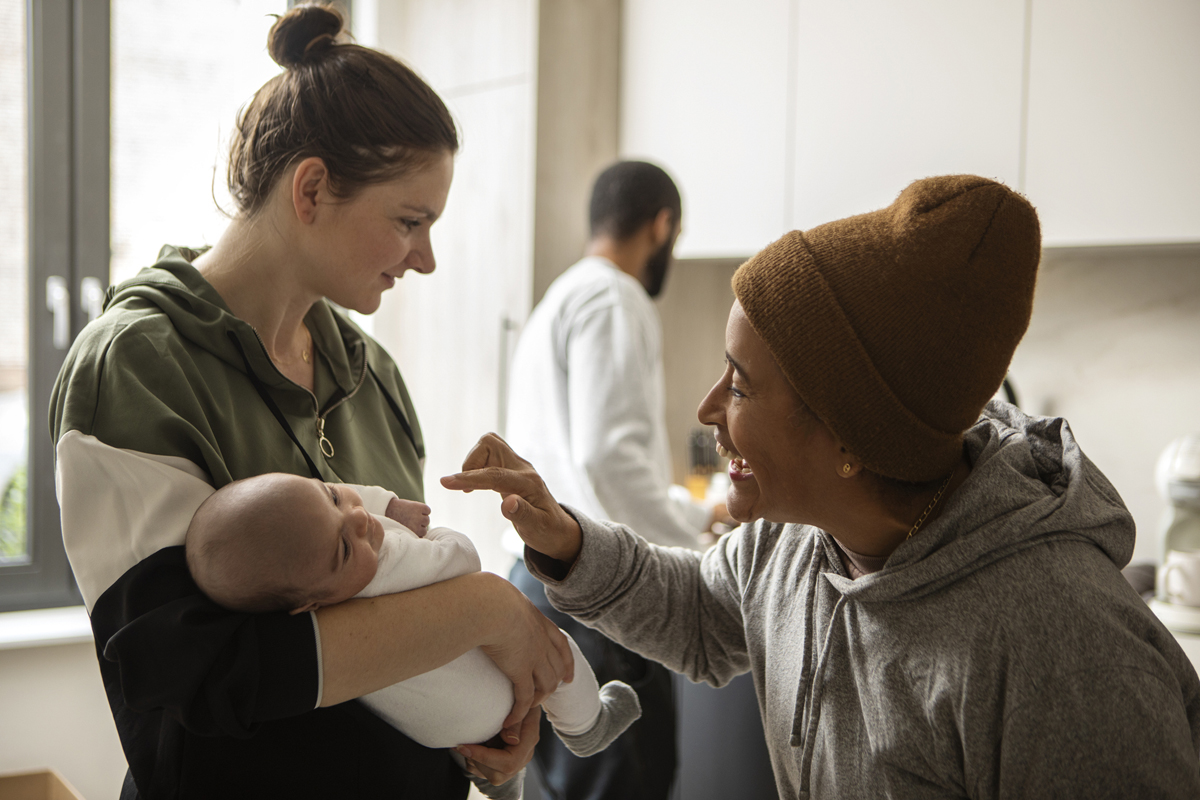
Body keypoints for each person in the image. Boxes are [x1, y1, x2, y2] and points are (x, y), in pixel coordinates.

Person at [446, 175, 1200, 798]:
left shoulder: (1063, 649)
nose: (708, 410)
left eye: (739, 385)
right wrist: (568, 541)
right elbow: (703, 611)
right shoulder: (794, 541)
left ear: (849, 438)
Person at [49, 6, 571, 798]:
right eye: (409, 222)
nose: (424, 260)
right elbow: (199, 674)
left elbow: (401, 619)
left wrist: (492, 723)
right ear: (314, 188)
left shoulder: (373, 377)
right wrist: (487, 612)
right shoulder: (137, 366)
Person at [182, 471, 641, 800]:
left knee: (477, 724)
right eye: (345, 547)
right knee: (560, 651)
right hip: (475, 701)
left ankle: (496, 776)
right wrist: (439, 534)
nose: (360, 521)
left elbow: (336, 504)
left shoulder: (311, 588)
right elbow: (462, 562)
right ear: (308, 603)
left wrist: (382, 504)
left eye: (333, 496)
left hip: (441, 732)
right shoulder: (387, 566)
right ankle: (588, 725)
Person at [504, 160, 728, 799]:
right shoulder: (615, 297)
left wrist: (688, 517)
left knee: (576, 785)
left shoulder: (562, 297)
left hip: (541, 578)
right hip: (595, 594)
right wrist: (693, 541)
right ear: (662, 226)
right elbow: (609, 457)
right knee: (623, 784)